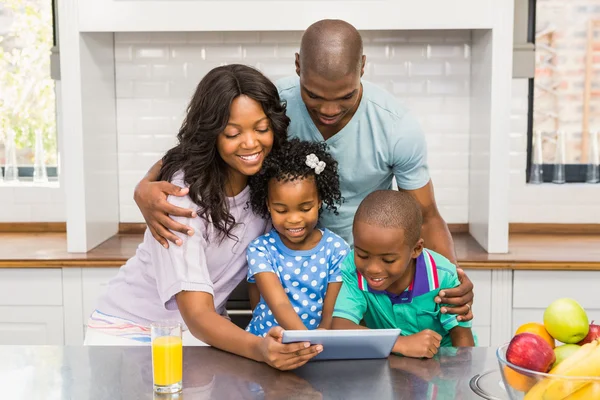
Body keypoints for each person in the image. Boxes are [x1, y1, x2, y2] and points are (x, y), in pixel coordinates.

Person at [131, 19, 474, 321]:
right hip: (280, 265)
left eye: (345, 96)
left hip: (358, 273)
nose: (328, 109)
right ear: (297, 66)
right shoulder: (272, 102)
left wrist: (450, 278)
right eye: (313, 95)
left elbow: (425, 214)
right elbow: (206, 141)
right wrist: (145, 187)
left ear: (363, 68)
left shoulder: (397, 128)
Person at [84, 64, 322, 371]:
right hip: (133, 333)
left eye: (261, 129)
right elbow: (196, 314)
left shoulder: (269, 180)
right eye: (233, 133)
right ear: (211, 134)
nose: (250, 143)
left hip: (198, 337)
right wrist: (261, 349)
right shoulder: (182, 197)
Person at [331, 190, 475, 358]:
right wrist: (400, 343)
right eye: (362, 255)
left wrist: (460, 380)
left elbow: (463, 340)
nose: (373, 269)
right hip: (390, 363)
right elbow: (341, 327)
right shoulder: (351, 268)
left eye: (388, 260)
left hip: (442, 367)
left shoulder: (443, 277)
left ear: (416, 249)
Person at [244, 138, 350, 336]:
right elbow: (278, 304)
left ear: (319, 201)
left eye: (305, 208)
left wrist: (318, 342)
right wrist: (304, 340)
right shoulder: (261, 249)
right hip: (266, 343)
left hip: (318, 345)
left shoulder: (337, 249)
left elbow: (331, 314)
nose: (294, 219)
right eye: (281, 210)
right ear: (268, 205)